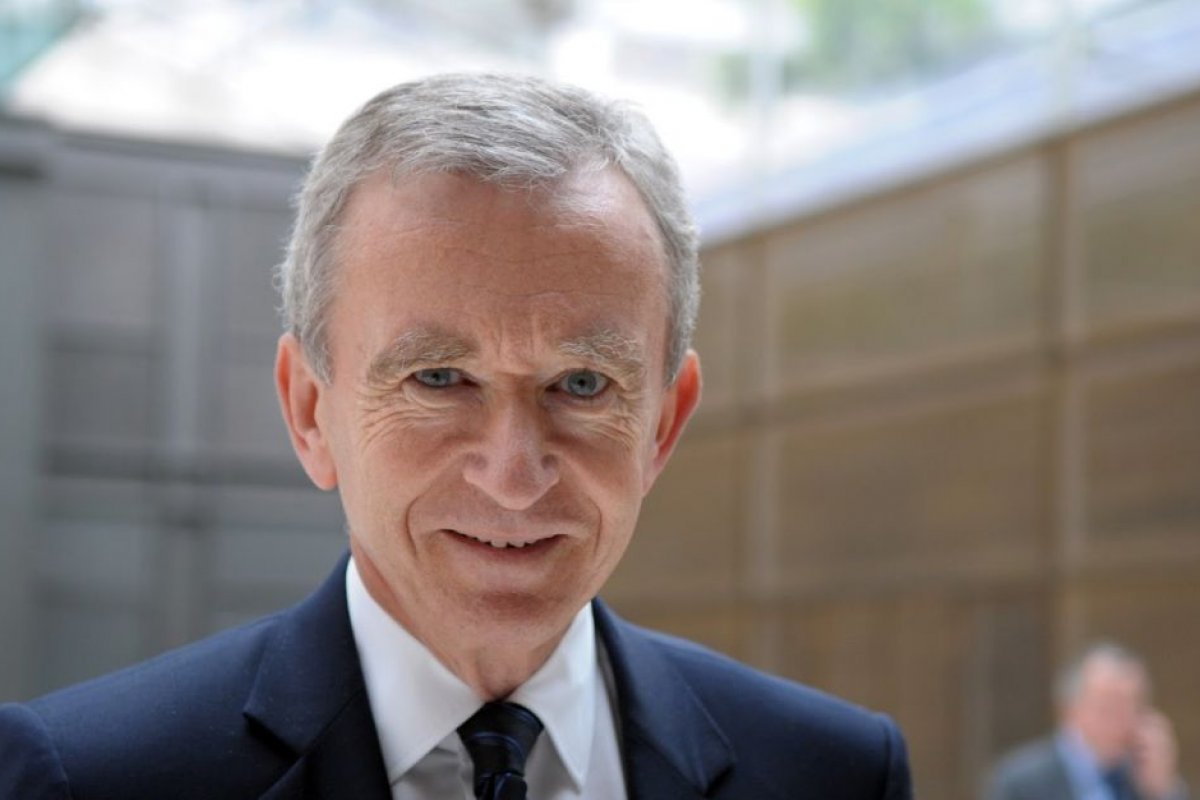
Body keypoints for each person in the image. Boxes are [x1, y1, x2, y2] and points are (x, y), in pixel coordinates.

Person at [0, 73, 913, 799]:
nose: (513, 476)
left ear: (663, 425)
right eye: (438, 379)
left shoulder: (832, 774)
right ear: (311, 411)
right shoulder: (89, 778)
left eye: (582, 384)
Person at [986, 642, 1188, 800]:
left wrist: (1164, 791)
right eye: (1110, 705)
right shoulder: (1021, 782)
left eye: (1134, 705)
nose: (1125, 718)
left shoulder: (1145, 781)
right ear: (1070, 709)